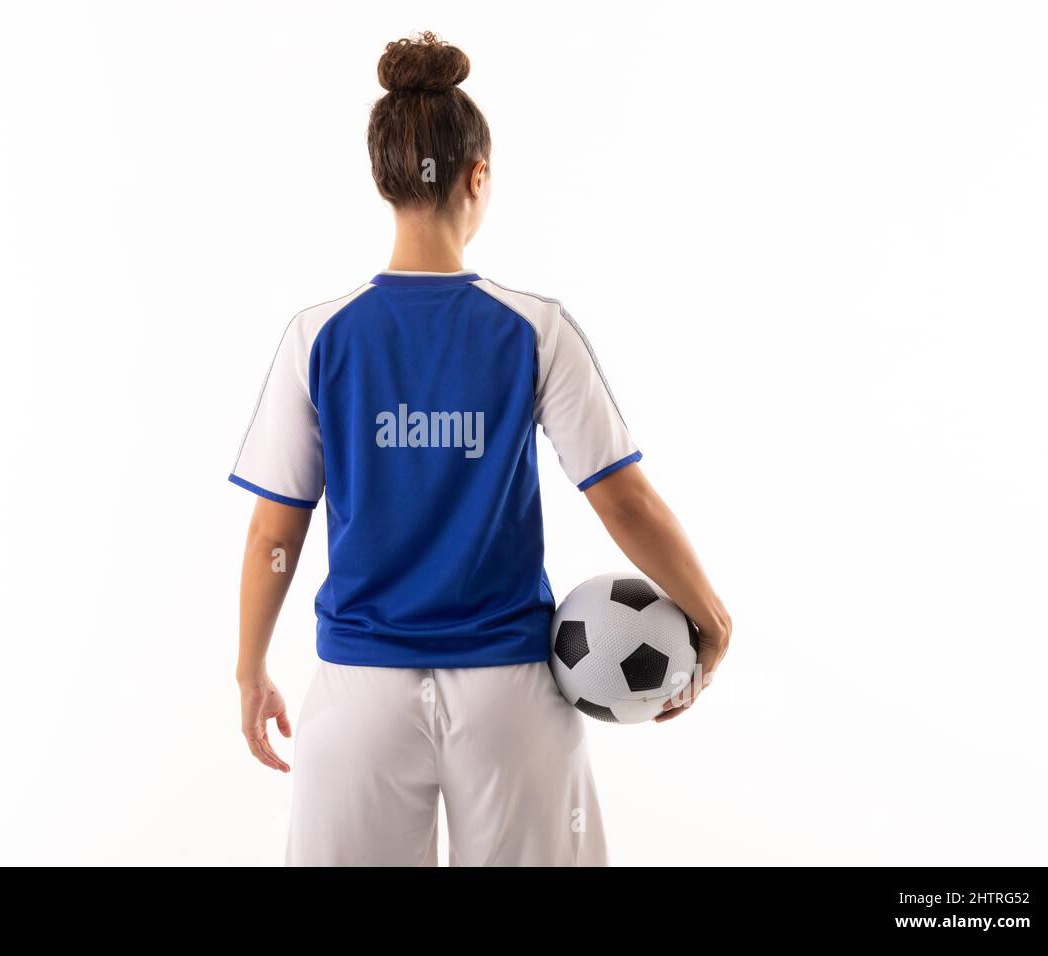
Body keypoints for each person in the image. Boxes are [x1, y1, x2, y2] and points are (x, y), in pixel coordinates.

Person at [230, 31, 731, 867]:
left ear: (384, 181)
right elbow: (624, 500)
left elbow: (273, 535)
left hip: (360, 698)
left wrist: (250, 672)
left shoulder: (316, 338)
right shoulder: (534, 331)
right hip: (511, 693)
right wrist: (712, 622)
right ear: (478, 176)